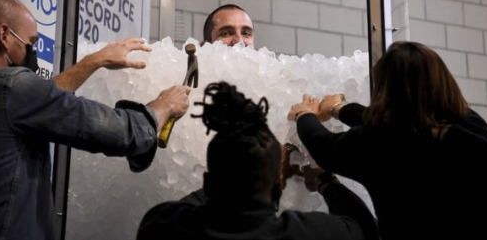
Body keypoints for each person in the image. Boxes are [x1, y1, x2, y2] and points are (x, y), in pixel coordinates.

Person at [0, 0, 192, 240]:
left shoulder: (9, 96)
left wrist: (93, 61)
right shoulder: (12, 86)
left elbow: (40, 102)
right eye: (30, 43)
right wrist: (163, 106)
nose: (32, 52)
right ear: (4, 36)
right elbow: (119, 133)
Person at [288, 41, 487, 240]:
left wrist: (304, 114)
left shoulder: (384, 143)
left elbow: (323, 146)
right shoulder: (473, 124)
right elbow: (400, 123)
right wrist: (340, 108)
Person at [137, 81, 379, 240]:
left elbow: (194, 203)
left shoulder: (162, 225)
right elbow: (365, 228)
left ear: (209, 182)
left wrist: (230, 177)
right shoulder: (304, 234)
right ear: (278, 185)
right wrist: (327, 182)